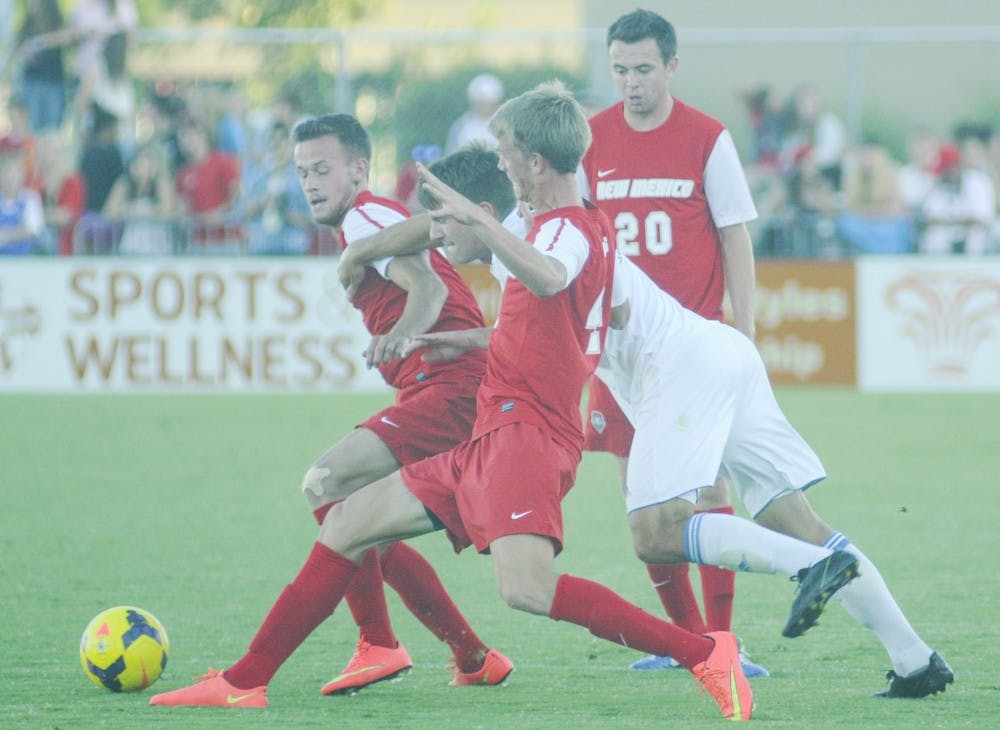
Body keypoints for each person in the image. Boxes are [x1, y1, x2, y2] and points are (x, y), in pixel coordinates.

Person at [149, 82, 756, 722]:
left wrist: (482, 224)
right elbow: (561, 321)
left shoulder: (569, 233)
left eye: (506, 153)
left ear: (535, 162)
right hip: (494, 430)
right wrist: (462, 337)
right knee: (347, 520)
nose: (501, 165)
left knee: (527, 589)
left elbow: (548, 277)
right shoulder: (574, 230)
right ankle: (249, 679)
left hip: (526, 439)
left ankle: (701, 654)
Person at [347, 143, 952, 704]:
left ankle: (807, 568)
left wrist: (358, 248)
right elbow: (587, 310)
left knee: (656, 535)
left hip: (682, 371)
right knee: (796, 519)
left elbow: (557, 284)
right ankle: (915, 659)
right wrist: (468, 339)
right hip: (718, 350)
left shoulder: (537, 244)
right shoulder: (554, 232)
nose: (440, 233)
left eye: (452, 219)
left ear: (509, 185)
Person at [579, 8, 762, 673]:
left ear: (671, 67)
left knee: (708, 490)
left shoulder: (707, 138)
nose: (631, 82)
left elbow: (735, 233)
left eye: (644, 69)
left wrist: (744, 328)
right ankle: (688, 646)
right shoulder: (589, 140)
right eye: (621, 70)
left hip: (692, 352)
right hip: (619, 356)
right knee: (643, 501)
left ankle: (724, 642)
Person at [240, 121, 311, 255]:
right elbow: (241, 213)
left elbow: (311, 221)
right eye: (273, 139)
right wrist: (261, 203)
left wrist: (285, 211)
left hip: (293, 248)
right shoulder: (256, 175)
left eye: (282, 140)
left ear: (291, 145)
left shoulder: (302, 177)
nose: (277, 145)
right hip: (261, 246)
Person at [918, 143, 997, 255]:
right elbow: (930, 219)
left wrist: (950, 221)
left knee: (976, 236)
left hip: (977, 244)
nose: (943, 174)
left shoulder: (978, 182)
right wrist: (958, 221)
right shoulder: (935, 185)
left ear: (954, 167)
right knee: (935, 238)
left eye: (946, 170)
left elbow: (980, 219)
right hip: (944, 245)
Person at [103, 141, 176, 255]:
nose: (141, 165)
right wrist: (128, 211)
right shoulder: (124, 184)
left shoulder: (162, 183)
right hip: (131, 243)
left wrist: (143, 211)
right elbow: (109, 212)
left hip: (158, 243)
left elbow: (168, 212)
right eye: (139, 161)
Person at [15, 0, 68, 133]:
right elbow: (19, 50)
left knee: (52, 130)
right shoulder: (27, 25)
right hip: (32, 82)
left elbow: (67, 37)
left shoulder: (56, 22)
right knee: (33, 128)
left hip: (54, 82)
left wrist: (40, 43)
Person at [0, 141, 46, 255]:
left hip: (25, 261)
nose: (11, 180)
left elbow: (33, 230)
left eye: (15, 175)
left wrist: (5, 235)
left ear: (22, 177)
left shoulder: (31, 199)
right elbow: (25, 231)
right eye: (7, 175)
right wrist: (20, 232)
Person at [444, 73, 504, 154]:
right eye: (480, 102)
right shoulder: (461, 127)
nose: (483, 106)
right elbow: (451, 156)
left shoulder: (506, 127)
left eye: (487, 102)